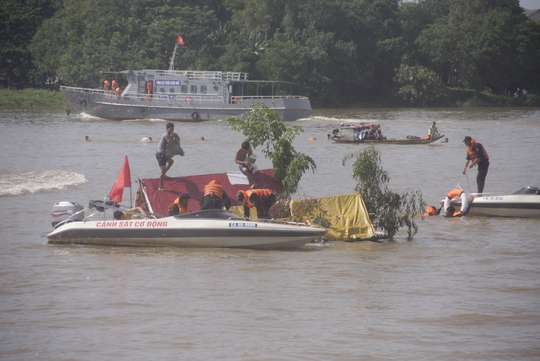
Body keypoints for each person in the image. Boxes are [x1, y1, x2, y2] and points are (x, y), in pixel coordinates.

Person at [156, 122, 176, 190]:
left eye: (173, 129)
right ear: (167, 129)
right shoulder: (166, 135)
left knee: (171, 161)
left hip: (163, 154)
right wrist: (173, 138)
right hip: (160, 154)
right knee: (162, 170)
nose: (172, 130)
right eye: (171, 129)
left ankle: (164, 174)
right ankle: (160, 187)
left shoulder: (168, 135)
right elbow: (171, 144)